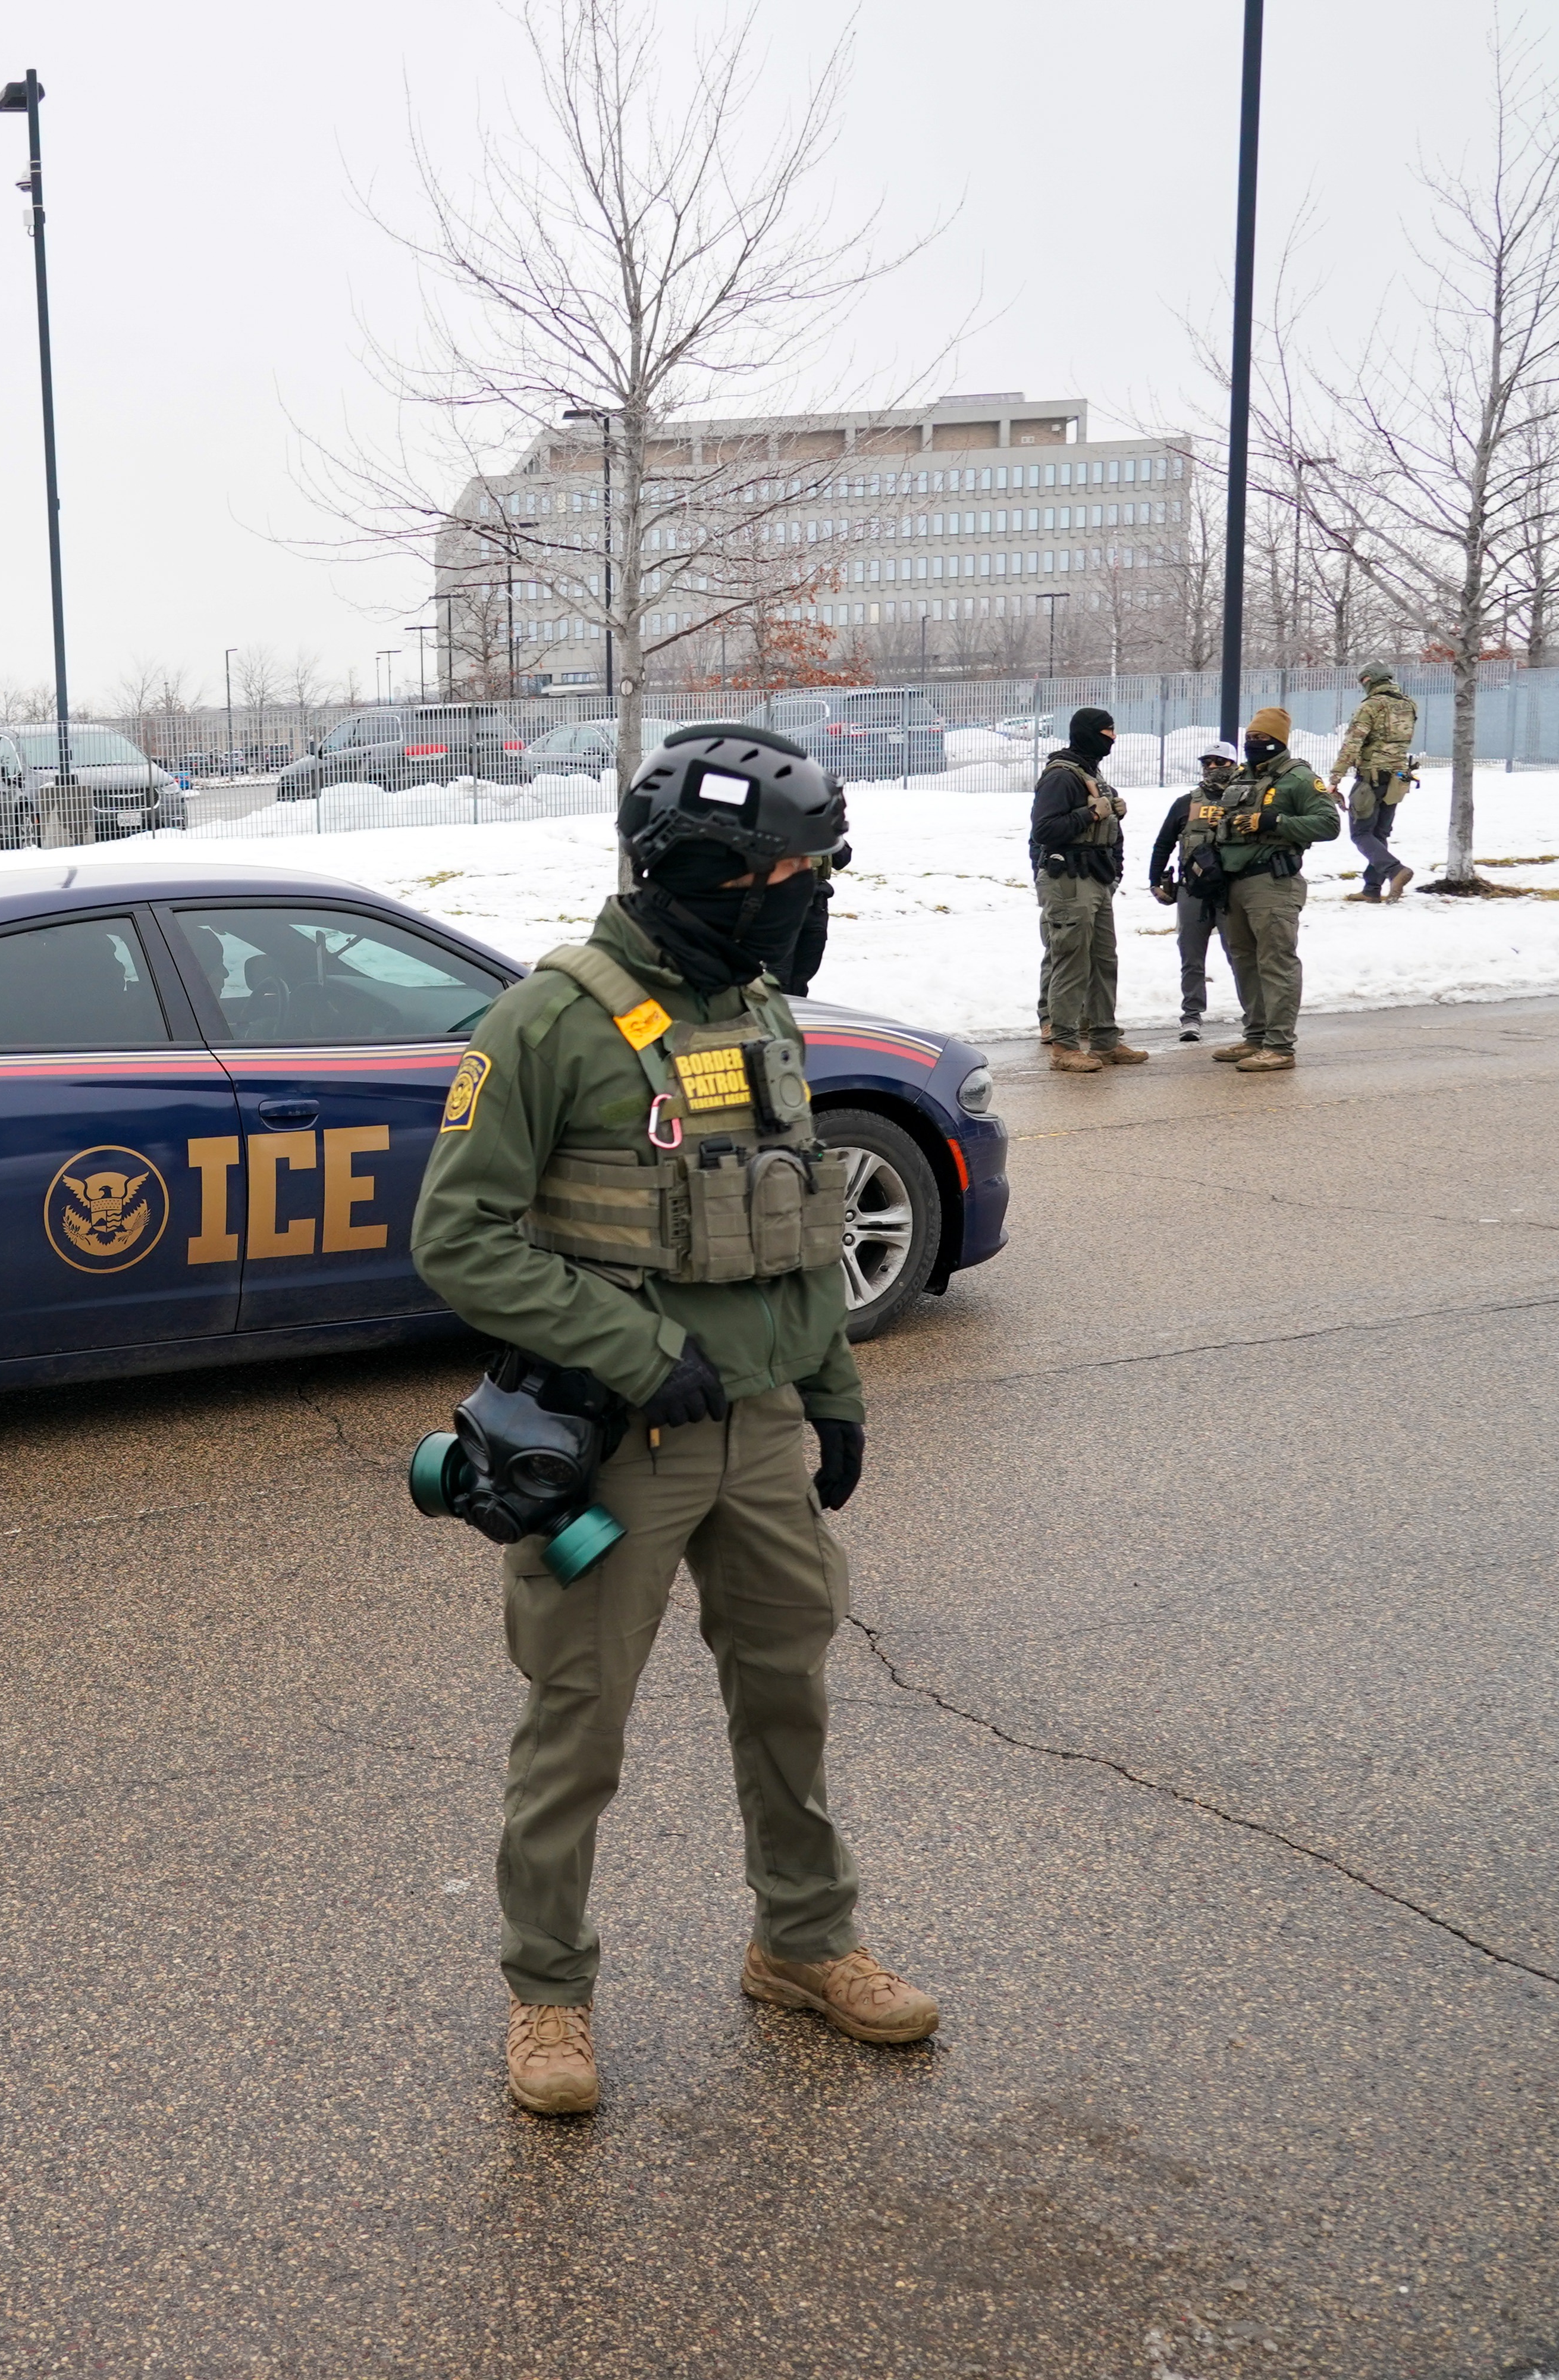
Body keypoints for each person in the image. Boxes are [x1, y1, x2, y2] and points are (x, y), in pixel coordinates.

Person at [414, 721, 939, 2121]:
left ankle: (804, 1941)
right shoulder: (545, 1024)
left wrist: (828, 1390)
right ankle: (547, 1994)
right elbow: (458, 1238)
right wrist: (638, 1351)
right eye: (797, 872)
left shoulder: (757, 1009)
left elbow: (796, 1218)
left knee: (788, 1694)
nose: (810, 898)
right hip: (616, 1445)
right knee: (577, 1722)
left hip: (759, 1425)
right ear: (714, 874)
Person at [1185, 709, 1340, 1073]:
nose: (1253, 745)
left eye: (1260, 739)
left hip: (1272, 882)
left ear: (1279, 741)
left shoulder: (1298, 778)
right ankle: (1255, 1035)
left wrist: (1274, 821)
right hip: (1234, 882)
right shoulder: (1242, 776)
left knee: (1276, 961)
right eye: (1250, 739)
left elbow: (1329, 823)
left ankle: (1280, 1046)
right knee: (1244, 959)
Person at [1029, 707, 1143, 1073]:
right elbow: (1044, 830)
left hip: (1095, 877)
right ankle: (1064, 1045)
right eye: (1108, 732)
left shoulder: (1090, 772)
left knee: (1103, 960)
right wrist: (1093, 815)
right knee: (1071, 961)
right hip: (1069, 879)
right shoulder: (1061, 776)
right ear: (1090, 734)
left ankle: (1105, 1040)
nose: (1112, 739)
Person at [1149, 747, 1238, 1043]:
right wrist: (1156, 880)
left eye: (1219, 762)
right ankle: (1191, 1016)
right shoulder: (1186, 803)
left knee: (1240, 955)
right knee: (1191, 957)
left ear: (1234, 764)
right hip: (1193, 890)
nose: (1212, 767)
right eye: (1206, 762)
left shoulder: (1244, 800)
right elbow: (1163, 844)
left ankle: (1255, 1016)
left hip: (1232, 890)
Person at [1331, 664, 1422, 901]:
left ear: (1370, 680)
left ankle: (1396, 870)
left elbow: (1353, 744)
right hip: (1398, 778)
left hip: (1371, 777)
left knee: (1361, 833)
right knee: (1379, 833)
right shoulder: (1409, 704)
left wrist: (1335, 779)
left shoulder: (1371, 706)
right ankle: (1372, 889)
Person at [774, 834, 849, 997]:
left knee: (805, 970)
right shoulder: (777, 822)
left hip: (816, 908)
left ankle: (798, 1015)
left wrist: (831, 832)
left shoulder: (821, 827)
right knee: (779, 975)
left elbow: (842, 859)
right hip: (783, 907)